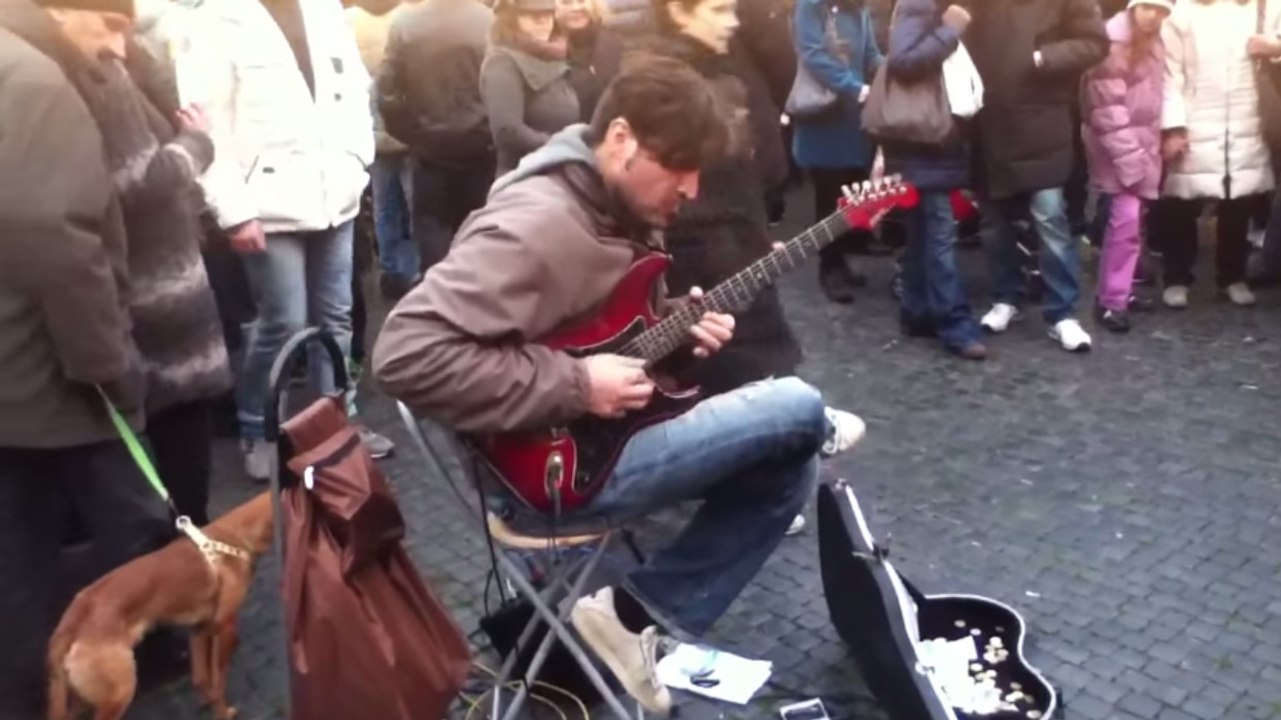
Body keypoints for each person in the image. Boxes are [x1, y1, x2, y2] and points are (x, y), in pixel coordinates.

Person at [374, 57, 843, 714]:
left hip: (597, 438)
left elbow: (596, 335)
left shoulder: (609, 203)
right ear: (620, 138)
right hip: (544, 476)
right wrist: (576, 385)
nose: (691, 188)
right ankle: (635, 618)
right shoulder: (537, 225)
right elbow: (403, 353)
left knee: (791, 455)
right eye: (678, 166)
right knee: (798, 408)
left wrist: (674, 334)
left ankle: (631, 617)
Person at [0, 0, 175, 713]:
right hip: (53, 369)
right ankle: (130, 664)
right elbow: (59, 243)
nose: (117, 47)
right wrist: (109, 365)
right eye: (107, 24)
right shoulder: (34, 82)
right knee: (135, 518)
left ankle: (28, 690)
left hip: (16, 369)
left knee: (18, 549)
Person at [192, 0, 390, 481]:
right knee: (283, 322)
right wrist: (234, 212)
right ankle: (258, 429)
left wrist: (357, 162)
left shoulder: (324, 10)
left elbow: (354, 92)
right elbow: (209, 128)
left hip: (335, 195)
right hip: (267, 206)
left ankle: (334, 425)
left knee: (336, 317)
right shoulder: (218, 19)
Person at [965, 0, 1107, 352]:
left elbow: (1095, 42)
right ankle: (1006, 296)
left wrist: (1043, 57)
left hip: (1042, 118)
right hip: (988, 118)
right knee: (994, 222)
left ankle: (1062, 313)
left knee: (1050, 217)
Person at [1154, 0, 1280, 308]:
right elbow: (1170, 74)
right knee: (1181, 202)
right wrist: (1173, 125)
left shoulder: (1263, 6)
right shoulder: (1182, 13)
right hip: (1195, 117)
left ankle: (1232, 276)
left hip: (1248, 116)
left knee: (1239, 200)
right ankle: (1177, 277)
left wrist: (1274, 48)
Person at [880, 0, 986, 360]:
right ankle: (954, 323)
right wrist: (950, 29)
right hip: (926, 142)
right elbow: (904, 62)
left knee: (923, 232)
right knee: (938, 234)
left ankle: (917, 310)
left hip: (925, 143)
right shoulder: (921, 6)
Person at [378, 0, 495, 270]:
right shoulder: (489, 22)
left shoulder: (406, 24)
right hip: (481, 148)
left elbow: (387, 94)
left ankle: (439, 290)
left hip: (429, 151)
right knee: (478, 234)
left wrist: (411, 135)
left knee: (433, 232)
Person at [1080, 0, 1169, 332]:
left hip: (1140, 144)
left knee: (1131, 222)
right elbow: (1107, 109)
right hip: (1118, 148)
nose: (1154, 16)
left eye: (1161, 10)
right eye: (1148, 7)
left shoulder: (1152, 42)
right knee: (1126, 222)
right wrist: (1132, 158)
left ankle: (1119, 291)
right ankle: (1111, 302)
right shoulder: (1113, 44)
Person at [791, 0, 886, 304]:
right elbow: (813, 55)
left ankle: (845, 252)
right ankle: (829, 266)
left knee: (850, 189)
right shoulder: (810, 6)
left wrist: (892, 71)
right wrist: (855, 87)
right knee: (828, 197)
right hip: (825, 118)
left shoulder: (859, 9)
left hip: (852, 119)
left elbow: (871, 54)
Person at [348, 0, 418, 299]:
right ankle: (415, 271)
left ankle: (391, 271)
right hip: (410, 128)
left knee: (384, 205)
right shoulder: (410, 17)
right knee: (414, 204)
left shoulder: (348, 21)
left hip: (371, 132)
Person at [481, 0, 581, 175]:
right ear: (512, 19)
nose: (543, 21)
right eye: (532, 15)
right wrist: (561, 147)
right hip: (523, 175)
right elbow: (507, 131)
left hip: (558, 169)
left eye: (548, 14)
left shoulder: (553, 54)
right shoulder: (502, 63)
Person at [558, 0, 623, 120]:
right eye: (566, 2)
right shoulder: (544, 50)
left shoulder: (613, 41)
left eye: (581, 1)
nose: (576, 8)